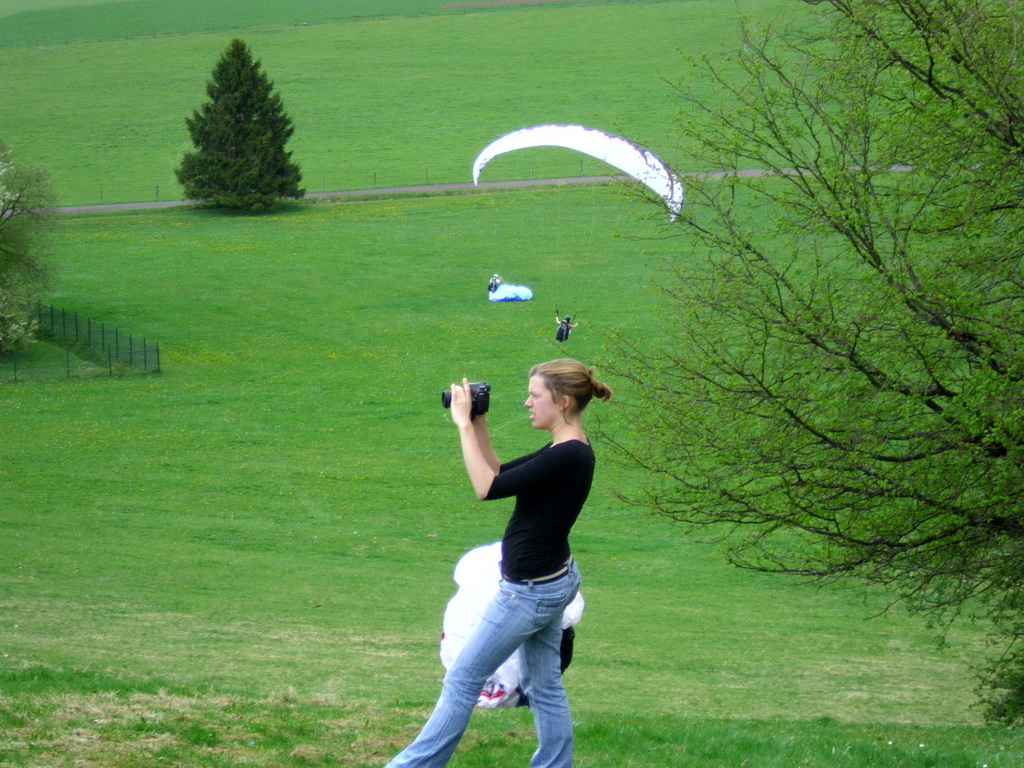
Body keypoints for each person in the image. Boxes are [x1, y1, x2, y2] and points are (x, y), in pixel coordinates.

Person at [385, 359, 613, 768]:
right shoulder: (566, 449)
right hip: (551, 580)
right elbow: (498, 474)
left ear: (563, 402)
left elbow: (484, 487)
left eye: (535, 395)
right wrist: (479, 421)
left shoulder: (568, 455)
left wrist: (462, 425)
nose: (527, 402)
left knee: (462, 679)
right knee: (543, 685)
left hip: (530, 592)